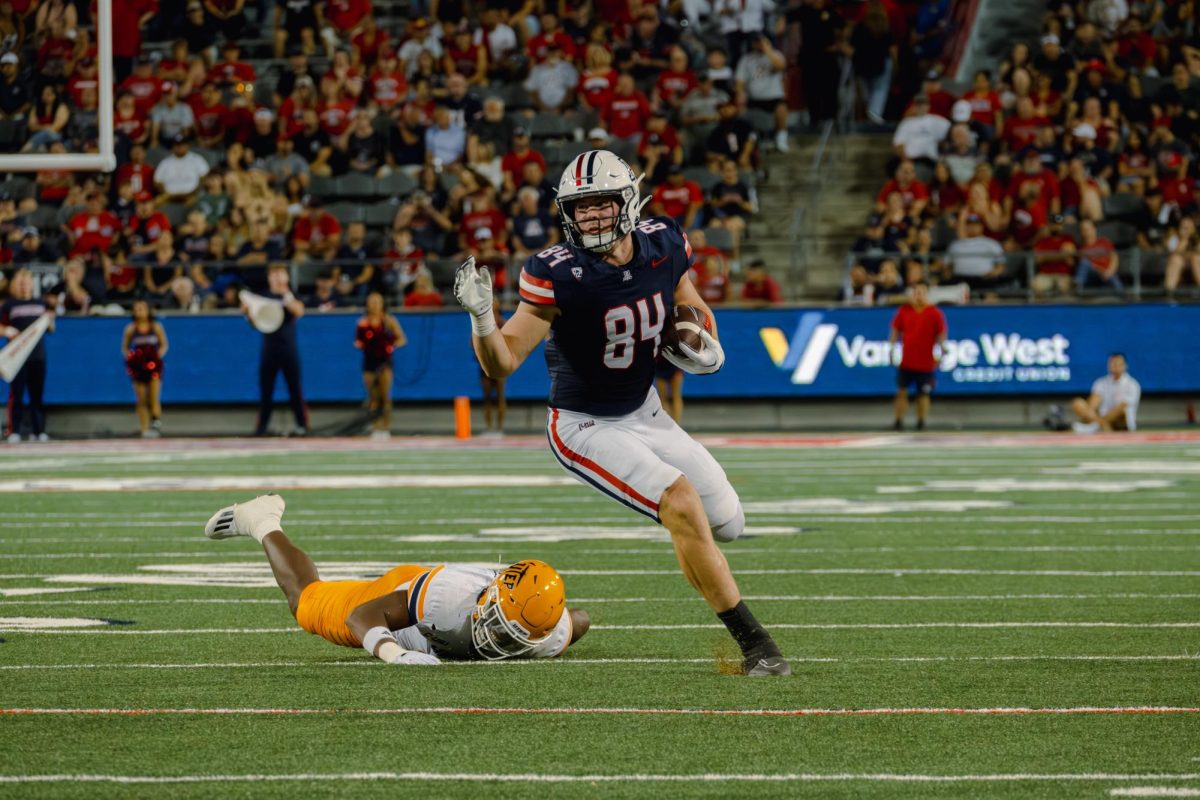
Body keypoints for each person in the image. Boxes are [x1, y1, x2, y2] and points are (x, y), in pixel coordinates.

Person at [452, 149, 789, 677]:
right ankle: (757, 645)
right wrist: (481, 319)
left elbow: (692, 304)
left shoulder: (664, 243)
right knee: (680, 504)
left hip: (645, 409)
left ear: (628, 201)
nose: (589, 217)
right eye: (579, 208)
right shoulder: (556, 273)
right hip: (585, 424)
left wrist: (704, 341)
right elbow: (503, 363)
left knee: (727, 522)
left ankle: (710, 571)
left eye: (601, 204)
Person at [203, 494, 589, 664]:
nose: (495, 638)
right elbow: (361, 618)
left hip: (440, 621)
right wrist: (394, 652)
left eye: (510, 635)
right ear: (488, 597)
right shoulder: (446, 596)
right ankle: (262, 519)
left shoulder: (549, 635)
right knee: (306, 603)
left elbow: (580, 620)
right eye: (497, 624)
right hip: (407, 603)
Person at [247, 265, 309, 437]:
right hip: (269, 348)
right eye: (273, 274)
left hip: (289, 348)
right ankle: (262, 427)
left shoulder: (290, 295)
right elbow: (254, 322)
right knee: (266, 390)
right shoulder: (263, 296)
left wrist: (285, 293)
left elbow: (298, 311)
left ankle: (302, 426)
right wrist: (249, 313)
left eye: (280, 274)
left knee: (295, 389)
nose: (276, 277)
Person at [1, 269, 54, 443]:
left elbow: (50, 329)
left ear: (32, 283)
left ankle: (38, 431)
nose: (24, 285)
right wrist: (6, 330)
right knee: (16, 394)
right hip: (17, 357)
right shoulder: (10, 304)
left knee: (37, 395)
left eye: (27, 281)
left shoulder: (41, 303)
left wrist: (50, 319)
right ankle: (14, 430)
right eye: (21, 281)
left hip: (38, 356)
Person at [888, 281, 947, 431]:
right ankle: (898, 420)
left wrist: (941, 350)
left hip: (925, 361)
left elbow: (941, 334)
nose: (918, 295)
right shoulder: (904, 310)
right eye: (916, 292)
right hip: (907, 360)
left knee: (923, 394)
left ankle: (921, 421)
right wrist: (891, 347)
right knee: (902, 392)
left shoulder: (934, 312)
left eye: (921, 292)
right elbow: (895, 330)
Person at [355, 291, 406, 441]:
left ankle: (385, 426)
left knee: (385, 396)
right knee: (373, 396)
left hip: (384, 362)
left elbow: (402, 339)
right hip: (369, 361)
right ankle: (375, 426)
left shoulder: (388, 321)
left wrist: (391, 346)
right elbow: (358, 342)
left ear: (383, 304)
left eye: (377, 302)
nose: (374, 305)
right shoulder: (362, 322)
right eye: (372, 302)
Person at [121, 298, 168, 438]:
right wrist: (131, 358)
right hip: (138, 367)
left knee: (154, 397)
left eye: (142, 308)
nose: (139, 311)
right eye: (136, 309)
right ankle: (144, 428)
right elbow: (125, 347)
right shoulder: (131, 329)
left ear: (148, 311)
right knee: (141, 399)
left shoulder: (156, 326)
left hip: (153, 367)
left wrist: (157, 356)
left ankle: (156, 423)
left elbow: (164, 344)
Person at [1069, 353, 1140, 433]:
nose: (1114, 366)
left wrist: (1099, 420)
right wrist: (1098, 419)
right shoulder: (1101, 382)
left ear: (1125, 366)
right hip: (1101, 418)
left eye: (1117, 364)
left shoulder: (1132, 385)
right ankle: (1103, 426)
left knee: (1121, 412)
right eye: (1112, 364)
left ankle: (1095, 427)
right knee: (1077, 403)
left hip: (1121, 423)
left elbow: (1121, 408)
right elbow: (1092, 405)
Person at [478, 303, 506, 436]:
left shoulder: (502, 323)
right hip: (485, 366)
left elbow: (508, 343)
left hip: (499, 365)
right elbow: (474, 343)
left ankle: (499, 428)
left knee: (500, 397)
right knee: (487, 398)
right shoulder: (481, 324)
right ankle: (489, 428)